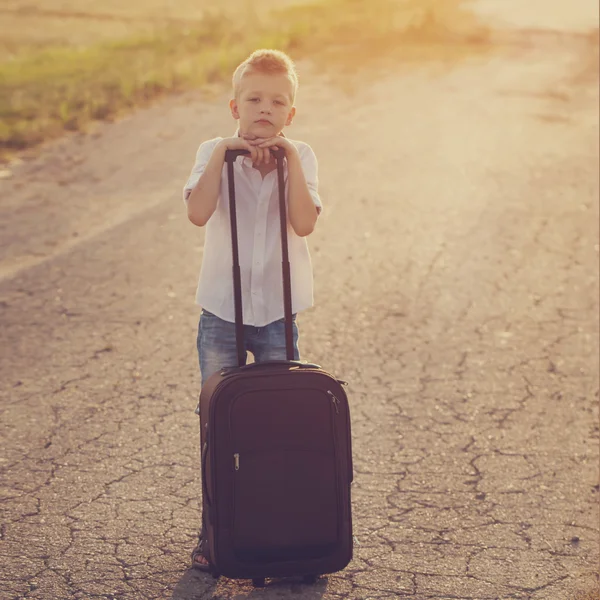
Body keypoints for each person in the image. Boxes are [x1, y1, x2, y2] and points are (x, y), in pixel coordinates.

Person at [182, 49, 322, 570]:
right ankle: (213, 533)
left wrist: (285, 158)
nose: (264, 109)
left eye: (277, 102)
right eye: (254, 99)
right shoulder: (212, 150)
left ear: (291, 114)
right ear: (234, 106)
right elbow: (198, 213)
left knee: (279, 423)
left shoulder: (301, 154)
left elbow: (305, 224)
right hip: (222, 307)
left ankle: (279, 529)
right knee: (218, 423)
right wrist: (224, 152)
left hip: (278, 313)